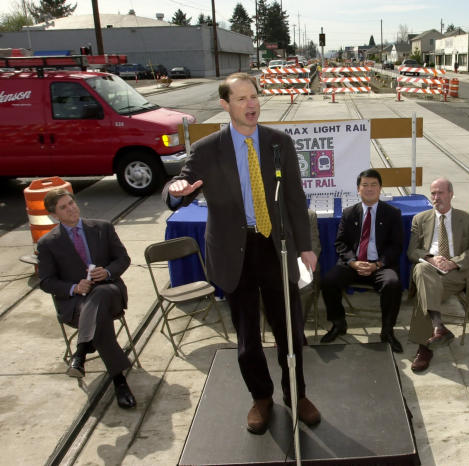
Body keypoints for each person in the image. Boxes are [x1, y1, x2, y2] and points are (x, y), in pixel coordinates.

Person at [163, 72, 320, 435]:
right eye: (242, 99)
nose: (252, 105)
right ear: (225, 105)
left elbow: (296, 199)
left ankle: (296, 395)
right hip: (235, 251)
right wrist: (176, 189)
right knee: (248, 338)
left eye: (254, 97)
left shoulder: (279, 143)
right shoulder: (207, 149)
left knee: (291, 334)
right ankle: (261, 398)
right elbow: (179, 188)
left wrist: (306, 247)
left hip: (275, 247)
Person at [37, 188, 136, 409]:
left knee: (101, 293)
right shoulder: (47, 243)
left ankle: (81, 352)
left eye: (71, 203)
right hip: (76, 304)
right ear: (55, 215)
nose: (70, 208)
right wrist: (74, 287)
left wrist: (108, 272)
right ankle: (119, 381)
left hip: (110, 292)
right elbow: (46, 281)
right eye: (63, 207)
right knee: (98, 319)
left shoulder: (102, 228)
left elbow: (123, 258)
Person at [320, 169, 404, 353]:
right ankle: (338, 323)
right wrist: (352, 262)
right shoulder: (349, 213)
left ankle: (387, 331)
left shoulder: (392, 213)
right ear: (358, 189)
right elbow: (340, 243)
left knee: (393, 283)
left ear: (380, 188)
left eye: (374, 184)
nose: (369, 188)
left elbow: (396, 246)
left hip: (380, 265)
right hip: (353, 264)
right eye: (365, 185)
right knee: (328, 281)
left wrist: (378, 264)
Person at [406, 177, 469, 371]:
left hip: (456, 274)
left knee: (424, 289)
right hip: (430, 268)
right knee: (422, 269)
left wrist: (453, 263)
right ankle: (437, 326)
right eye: (433, 193)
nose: (436, 197)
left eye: (440, 193)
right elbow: (412, 252)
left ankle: (425, 347)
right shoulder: (420, 219)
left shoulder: (468, 219)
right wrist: (431, 258)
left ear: (451, 194)